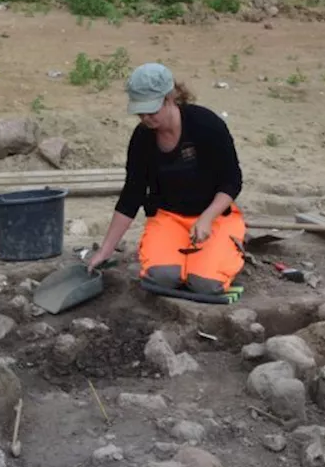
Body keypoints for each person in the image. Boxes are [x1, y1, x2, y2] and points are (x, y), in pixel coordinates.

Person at [88, 62, 246, 295]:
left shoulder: (207, 125)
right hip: (168, 217)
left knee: (205, 284)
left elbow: (232, 181)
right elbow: (132, 195)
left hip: (214, 216)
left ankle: (226, 247)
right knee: (162, 278)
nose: (146, 119)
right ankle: (180, 253)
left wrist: (206, 218)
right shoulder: (142, 138)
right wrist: (105, 250)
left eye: (152, 111)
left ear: (170, 98)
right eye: (140, 113)